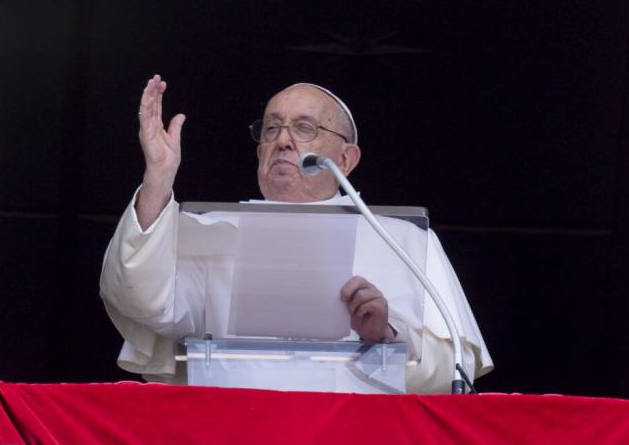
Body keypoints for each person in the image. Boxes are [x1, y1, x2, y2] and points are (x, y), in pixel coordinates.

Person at [100, 75, 493, 393]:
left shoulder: (403, 241)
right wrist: (158, 179)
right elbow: (141, 302)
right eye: (271, 129)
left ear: (346, 158)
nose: (283, 140)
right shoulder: (212, 232)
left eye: (304, 128)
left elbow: (454, 369)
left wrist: (385, 337)